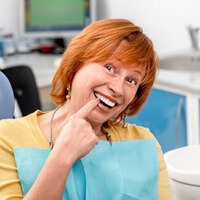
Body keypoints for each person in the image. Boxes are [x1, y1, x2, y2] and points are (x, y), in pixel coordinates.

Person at [0, 18, 173, 199]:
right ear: (76, 65)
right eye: (110, 68)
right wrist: (63, 155)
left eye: (131, 80)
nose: (118, 88)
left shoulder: (145, 142)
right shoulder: (6, 137)